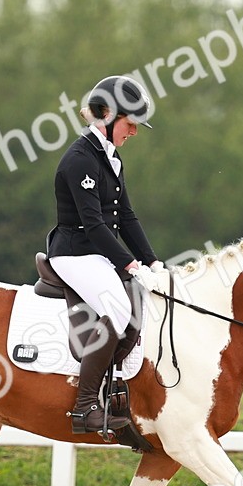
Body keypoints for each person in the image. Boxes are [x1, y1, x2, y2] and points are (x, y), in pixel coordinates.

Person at [47, 75, 167, 434]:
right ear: (109, 115)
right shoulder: (80, 159)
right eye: (131, 125)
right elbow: (95, 224)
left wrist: (152, 262)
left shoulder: (110, 158)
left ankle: (116, 392)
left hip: (96, 254)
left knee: (140, 297)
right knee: (117, 305)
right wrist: (129, 264)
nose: (134, 133)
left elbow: (125, 217)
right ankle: (85, 408)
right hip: (74, 254)